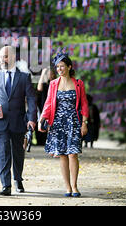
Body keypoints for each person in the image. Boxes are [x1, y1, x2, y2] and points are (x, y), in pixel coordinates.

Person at [0, 46, 37, 196]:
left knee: (18, 152)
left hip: (19, 121)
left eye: (6, 56)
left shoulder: (24, 77)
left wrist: (32, 118)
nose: (3, 59)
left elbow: (32, 99)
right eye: (1, 56)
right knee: (4, 152)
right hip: (0, 122)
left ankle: (18, 179)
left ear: (13, 57)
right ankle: (5, 185)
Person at [38, 52, 89, 197]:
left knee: (73, 154)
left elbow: (84, 104)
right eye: (57, 67)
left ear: (69, 66)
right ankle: (67, 187)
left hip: (73, 122)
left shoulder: (78, 83)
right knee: (62, 155)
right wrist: (41, 120)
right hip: (57, 123)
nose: (59, 69)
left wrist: (84, 123)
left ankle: (74, 186)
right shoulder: (53, 84)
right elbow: (48, 103)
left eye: (62, 66)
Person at [36, 67, 57, 145]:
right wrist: (43, 73)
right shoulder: (45, 85)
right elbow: (39, 88)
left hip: (54, 109)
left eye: (51, 73)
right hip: (44, 109)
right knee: (43, 125)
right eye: (48, 74)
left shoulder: (56, 84)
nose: (50, 75)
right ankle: (41, 142)